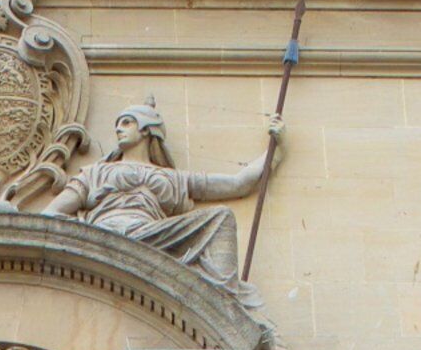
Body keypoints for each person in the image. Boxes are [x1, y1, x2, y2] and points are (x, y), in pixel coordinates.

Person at [45, 100, 275, 287]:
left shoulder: (175, 178)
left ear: (146, 129)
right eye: (118, 124)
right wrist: (83, 232)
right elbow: (51, 213)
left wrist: (276, 148)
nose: (118, 129)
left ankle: (225, 297)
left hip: (152, 233)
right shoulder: (95, 172)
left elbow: (239, 184)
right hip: (104, 232)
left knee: (222, 217)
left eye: (127, 123)